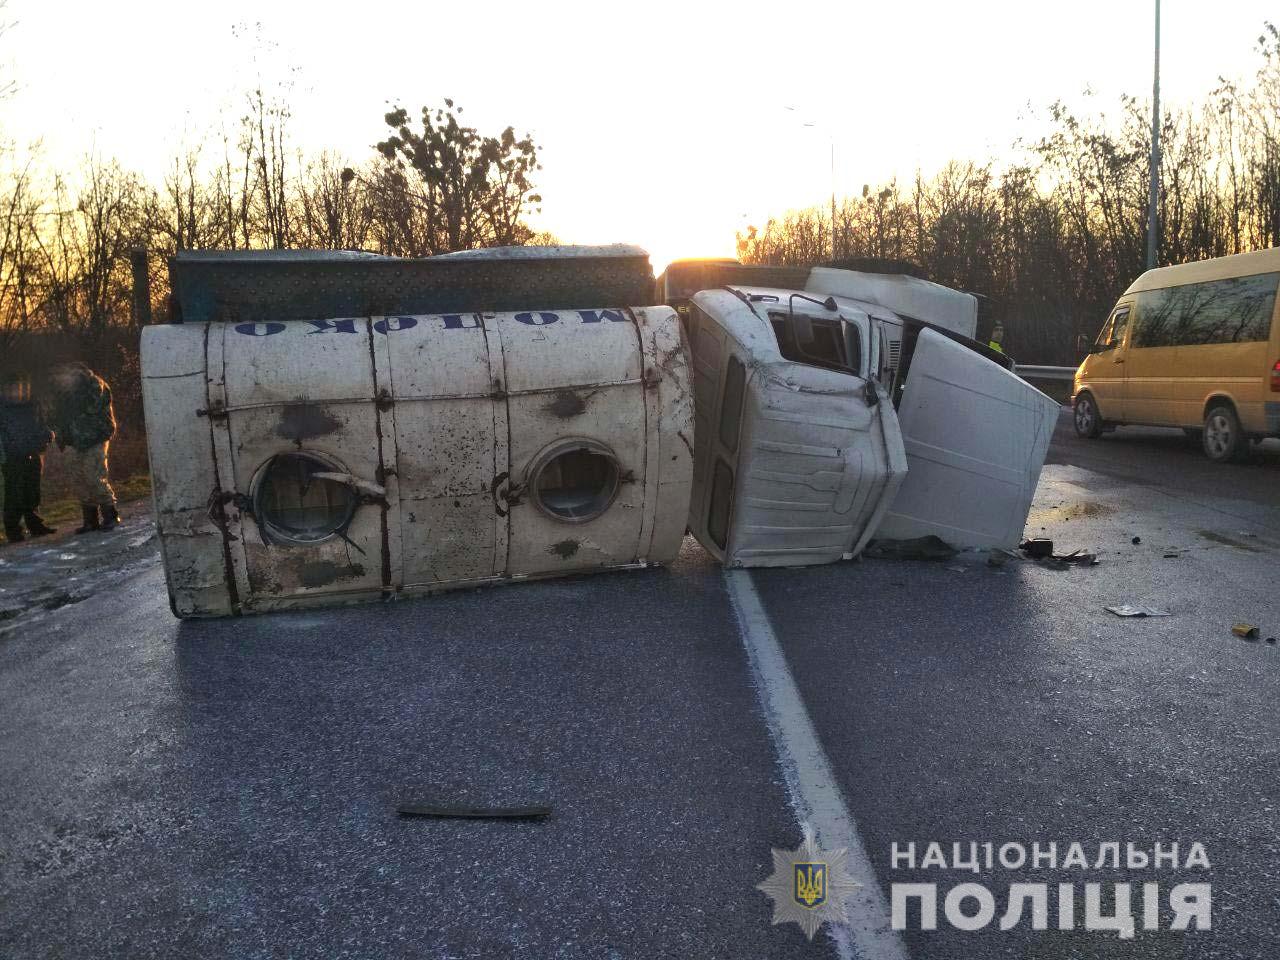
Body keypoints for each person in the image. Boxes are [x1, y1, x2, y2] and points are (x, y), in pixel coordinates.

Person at [49, 361, 119, 533]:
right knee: (78, 479)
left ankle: (110, 515)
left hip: (94, 438)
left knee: (94, 476)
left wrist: (71, 396)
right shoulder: (62, 394)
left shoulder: (95, 385)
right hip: (74, 441)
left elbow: (91, 407)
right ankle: (90, 519)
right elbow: (57, 417)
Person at [0, 372, 57, 542]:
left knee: (32, 491)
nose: (16, 390)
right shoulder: (2, 407)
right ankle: (13, 530)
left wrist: (47, 434)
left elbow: (41, 424)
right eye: (11, 388)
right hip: (12, 456)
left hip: (34, 453)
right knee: (14, 494)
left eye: (18, 387)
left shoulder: (32, 404)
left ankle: (35, 525)